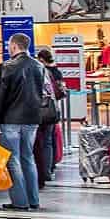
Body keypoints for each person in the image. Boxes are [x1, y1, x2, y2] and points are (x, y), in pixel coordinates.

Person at [0, 33, 44, 211]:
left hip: (11, 119)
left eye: (9, 45)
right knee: (28, 158)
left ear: (14, 46)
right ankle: (33, 199)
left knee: (12, 160)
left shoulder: (6, 67)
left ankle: (19, 201)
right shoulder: (38, 66)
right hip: (32, 118)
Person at [35, 48, 66, 185]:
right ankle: (49, 169)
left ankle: (41, 170)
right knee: (49, 141)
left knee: (38, 142)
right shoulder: (56, 72)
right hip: (52, 110)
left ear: (41, 59)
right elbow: (61, 91)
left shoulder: (39, 71)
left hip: (39, 110)